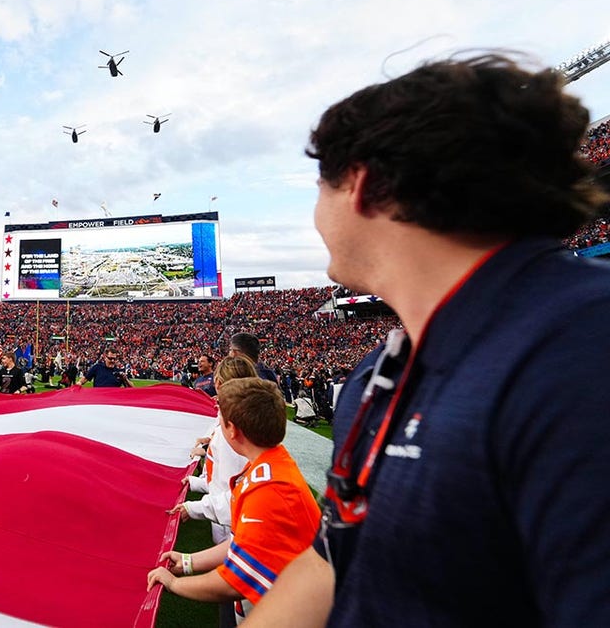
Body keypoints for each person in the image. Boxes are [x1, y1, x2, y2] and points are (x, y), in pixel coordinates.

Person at [246, 54, 610, 627]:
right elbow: (334, 564)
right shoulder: (379, 373)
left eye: (321, 186)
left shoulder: (582, 353)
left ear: (362, 184)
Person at [147, 378, 319, 624]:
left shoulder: (269, 489)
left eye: (220, 418)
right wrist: (188, 562)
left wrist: (175, 583)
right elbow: (243, 543)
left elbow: (236, 579)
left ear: (232, 430)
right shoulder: (267, 465)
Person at [178, 355, 259, 547]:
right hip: (231, 527)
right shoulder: (242, 423)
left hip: (233, 533)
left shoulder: (233, 432)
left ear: (219, 384)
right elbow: (221, 480)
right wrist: (193, 482)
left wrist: (192, 508)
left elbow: (234, 492)